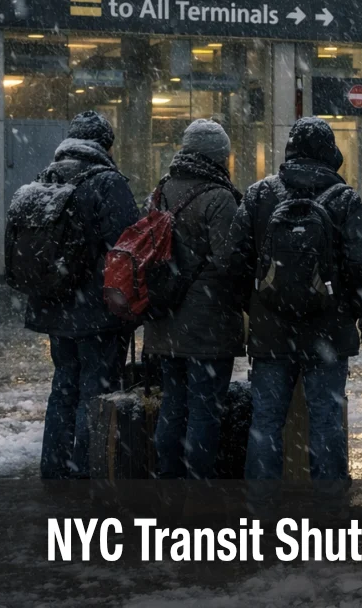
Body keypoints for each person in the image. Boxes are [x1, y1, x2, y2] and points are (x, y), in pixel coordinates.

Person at [228, 117, 362, 482]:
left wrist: (258, 306)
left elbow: (233, 262)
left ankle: (262, 505)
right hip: (328, 334)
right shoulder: (345, 199)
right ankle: (330, 505)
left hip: (271, 333)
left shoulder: (259, 195)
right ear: (329, 152)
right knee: (326, 421)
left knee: (266, 422)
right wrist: (346, 310)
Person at [17, 111, 141, 479]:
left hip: (56, 306)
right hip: (96, 313)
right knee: (95, 393)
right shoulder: (107, 182)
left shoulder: (46, 178)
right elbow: (127, 247)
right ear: (105, 145)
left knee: (63, 388)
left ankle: (54, 468)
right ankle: (87, 470)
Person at [145, 120, 245, 479]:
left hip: (165, 318)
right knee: (204, 410)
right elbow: (228, 260)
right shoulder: (219, 197)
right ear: (218, 156)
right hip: (207, 326)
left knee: (173, 404)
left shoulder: (160, 191)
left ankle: (168, 480)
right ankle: (199, 487)